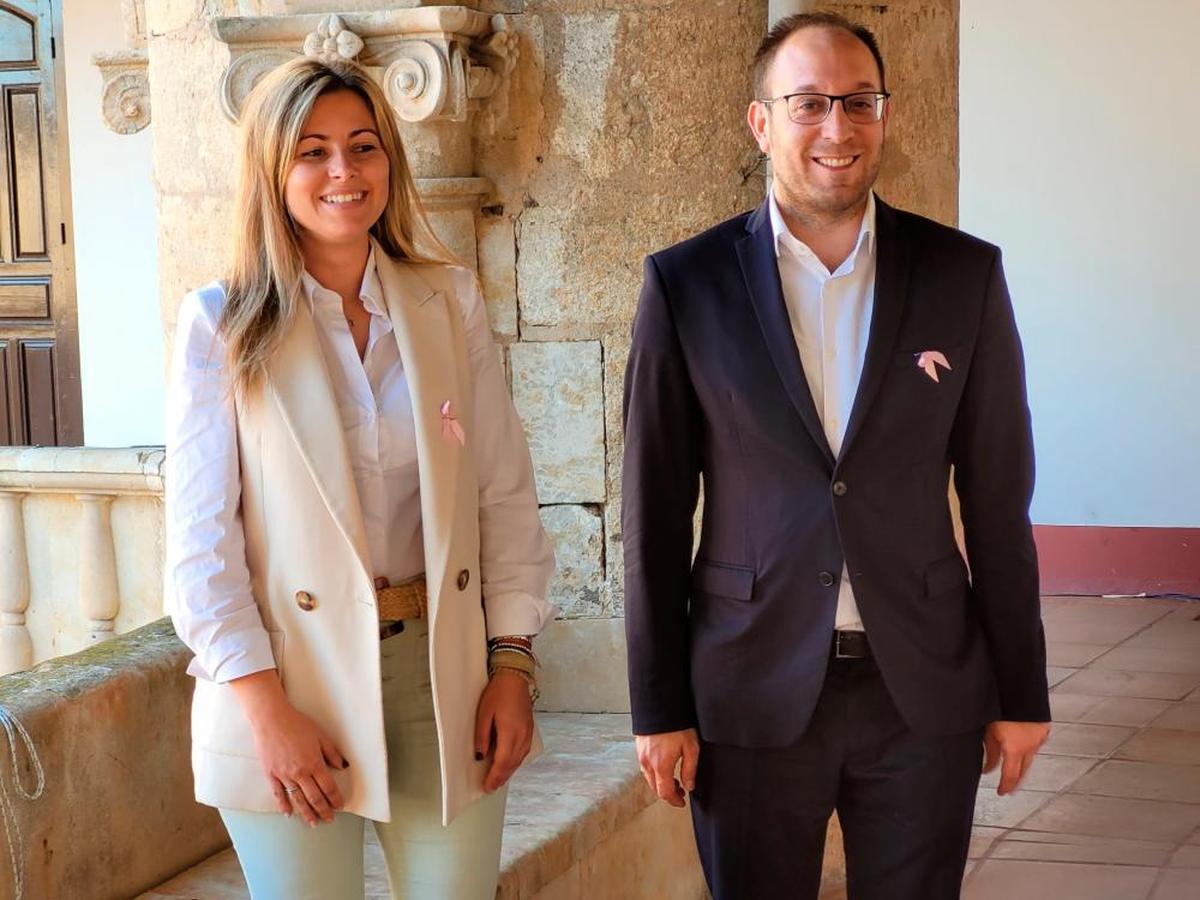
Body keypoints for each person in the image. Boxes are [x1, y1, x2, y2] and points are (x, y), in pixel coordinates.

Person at [622, 12, 1051, 899]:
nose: (836, 127)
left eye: (859, 102)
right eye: (809, 102)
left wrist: (1023, 691)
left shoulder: (961, 275)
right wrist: (659, 707)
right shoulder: (686, 284)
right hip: (748, 690)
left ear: (884, 115)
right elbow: (652, 516)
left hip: (922, 692)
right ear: (762, 122)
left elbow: (1000, 501)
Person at [165, 56, 555, 900]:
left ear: (390, 162)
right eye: (312, 152)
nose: (344, 172)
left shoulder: (449, 301)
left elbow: (504, 499)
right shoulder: (220, 325)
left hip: (440, 672)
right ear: (272, 172)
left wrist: (513, 666)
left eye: (363, 146)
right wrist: (266, 716)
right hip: (287, 681)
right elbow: (202, 554)